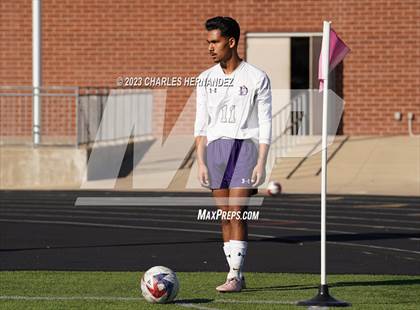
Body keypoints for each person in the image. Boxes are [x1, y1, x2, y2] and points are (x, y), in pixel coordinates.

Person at [194, 16, 272, 293]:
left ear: (231, 41)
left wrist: (262, 161)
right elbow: (201, 124)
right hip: (215, 149)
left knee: (238, 212)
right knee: (225, 215)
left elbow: (265, 122)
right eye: (208, 43)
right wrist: (201, 161)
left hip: (245, 148)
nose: (210, 48)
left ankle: (236, 275)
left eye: (214, 42)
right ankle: (233, 275)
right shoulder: (205, 79)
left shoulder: (257, 77)